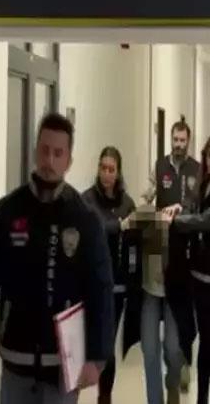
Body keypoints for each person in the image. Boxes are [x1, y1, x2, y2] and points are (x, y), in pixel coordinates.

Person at [0, 113, 115, 404]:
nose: (49, 161)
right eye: (44, 150)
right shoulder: (8, 212)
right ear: (35, 151)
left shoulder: (84, 219)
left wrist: (97, 356)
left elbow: (100, 289)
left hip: (63, 368)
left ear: (69, 161)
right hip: (16, 362)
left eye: (58, 153)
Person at [162, 133, 210, 404]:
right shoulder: (202, 183)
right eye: (208, 155)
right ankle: (202, 399)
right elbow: (192, 207)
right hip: (201, 279)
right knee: (206, 343)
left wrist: (178, 222)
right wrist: (179, 208)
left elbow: (209, 220)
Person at [137, 118, 200, 404]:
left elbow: (200, 206)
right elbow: (146, 196)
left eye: (182, 140)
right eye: (175, 140)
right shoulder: (160, 166)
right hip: (156, 254)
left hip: (182, 260)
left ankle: (173, 379)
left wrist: (182, 211)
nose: (178, 145)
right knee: (150, 349)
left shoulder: (196, 170)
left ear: (188, 141)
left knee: (173, 348)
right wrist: (148, 209)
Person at [81, 147, 138, 404]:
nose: (106, 174)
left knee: (108, 346)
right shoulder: (86, 200)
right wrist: (119, 226)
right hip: (91, 285)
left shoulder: (127, 203)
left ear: (118, 172)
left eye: (111, 169)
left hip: (117, 286)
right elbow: (92, 230)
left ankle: (105, 397)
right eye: (103, 168)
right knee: (90, 344)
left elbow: (134, 245)